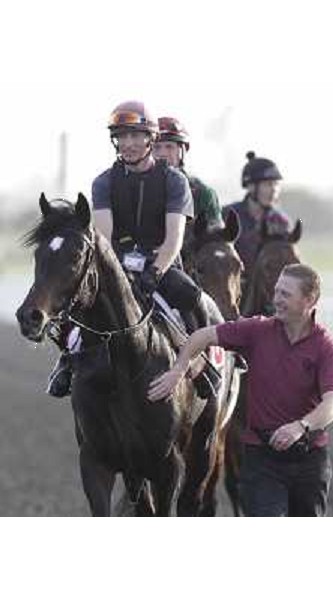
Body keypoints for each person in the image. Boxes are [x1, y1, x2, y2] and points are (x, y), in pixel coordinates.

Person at [147, 263, 333, 517]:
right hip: (261, 460)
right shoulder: (257, 330)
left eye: (286, 294)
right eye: (277, 292)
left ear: (310, 300)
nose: (277, 300)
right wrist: (178, 369)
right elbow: (202, 336)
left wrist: (300, 427)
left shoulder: (326, 347)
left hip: (309, 461)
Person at [47, 100, 211, 398]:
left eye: (136, 136)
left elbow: (174, 238)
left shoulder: (174, 181)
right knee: (79, 306)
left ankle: (204, 368)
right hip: (116, 266)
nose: (128, 144)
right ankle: (67, 361)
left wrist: (155, 272)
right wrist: (118, 275)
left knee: (193, 299)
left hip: (161, 264)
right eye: (122, 136)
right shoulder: (103, 182)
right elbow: (104, 237)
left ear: (150, 139)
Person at [224, 151, 291, 283]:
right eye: (268, 184)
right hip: (233, 286)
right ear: (250, 186)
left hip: (269, 292)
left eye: (276, 184)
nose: (274, 190)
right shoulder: (228, 215)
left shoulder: (281, 222)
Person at [153, 116, 223, 226]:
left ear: (182, 151)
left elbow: (217, 237)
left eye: (169, 147)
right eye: (156, 147)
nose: (163, 154)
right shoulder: (134, 187)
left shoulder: (202, 193)